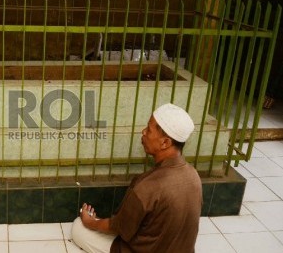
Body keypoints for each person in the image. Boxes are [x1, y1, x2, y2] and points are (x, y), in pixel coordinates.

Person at [71, 103, 202, 253]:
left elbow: (118, 228)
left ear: (165, 142)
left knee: (78, 227)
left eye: (149, 129)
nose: (143, 132)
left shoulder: (148, 187)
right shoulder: (194, 176)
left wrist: (90, 222)